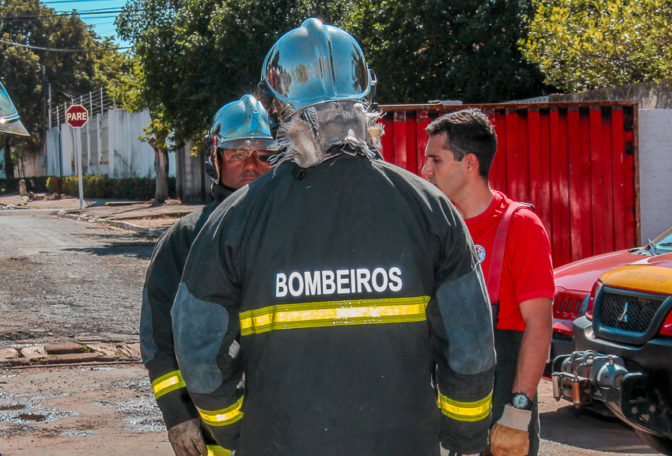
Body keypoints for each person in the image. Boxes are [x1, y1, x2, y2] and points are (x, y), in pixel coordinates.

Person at [171, 18, 495, 456]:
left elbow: (197, 350)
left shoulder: (234, 217)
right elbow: (471, 345)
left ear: (281, 111)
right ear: (365, 101)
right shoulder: (429, 207)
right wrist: (463, 438)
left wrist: (235, 432)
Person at [140, 94, 276, 456]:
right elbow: (159, 334)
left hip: (291, 421)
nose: (251, 166)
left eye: (264, 155)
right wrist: (178, 415)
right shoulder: (186, 238)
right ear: (214, 159)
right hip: (213, 430)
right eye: (236, 154)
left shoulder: (300, 232)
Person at [422, 109, 554, 456]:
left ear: (469, 163)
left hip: (503, 410)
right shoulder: (438, 229)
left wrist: (518, 412)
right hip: (449, 404)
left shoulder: (520, 226)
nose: (425, 171)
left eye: (435, 159)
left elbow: (539, 326)